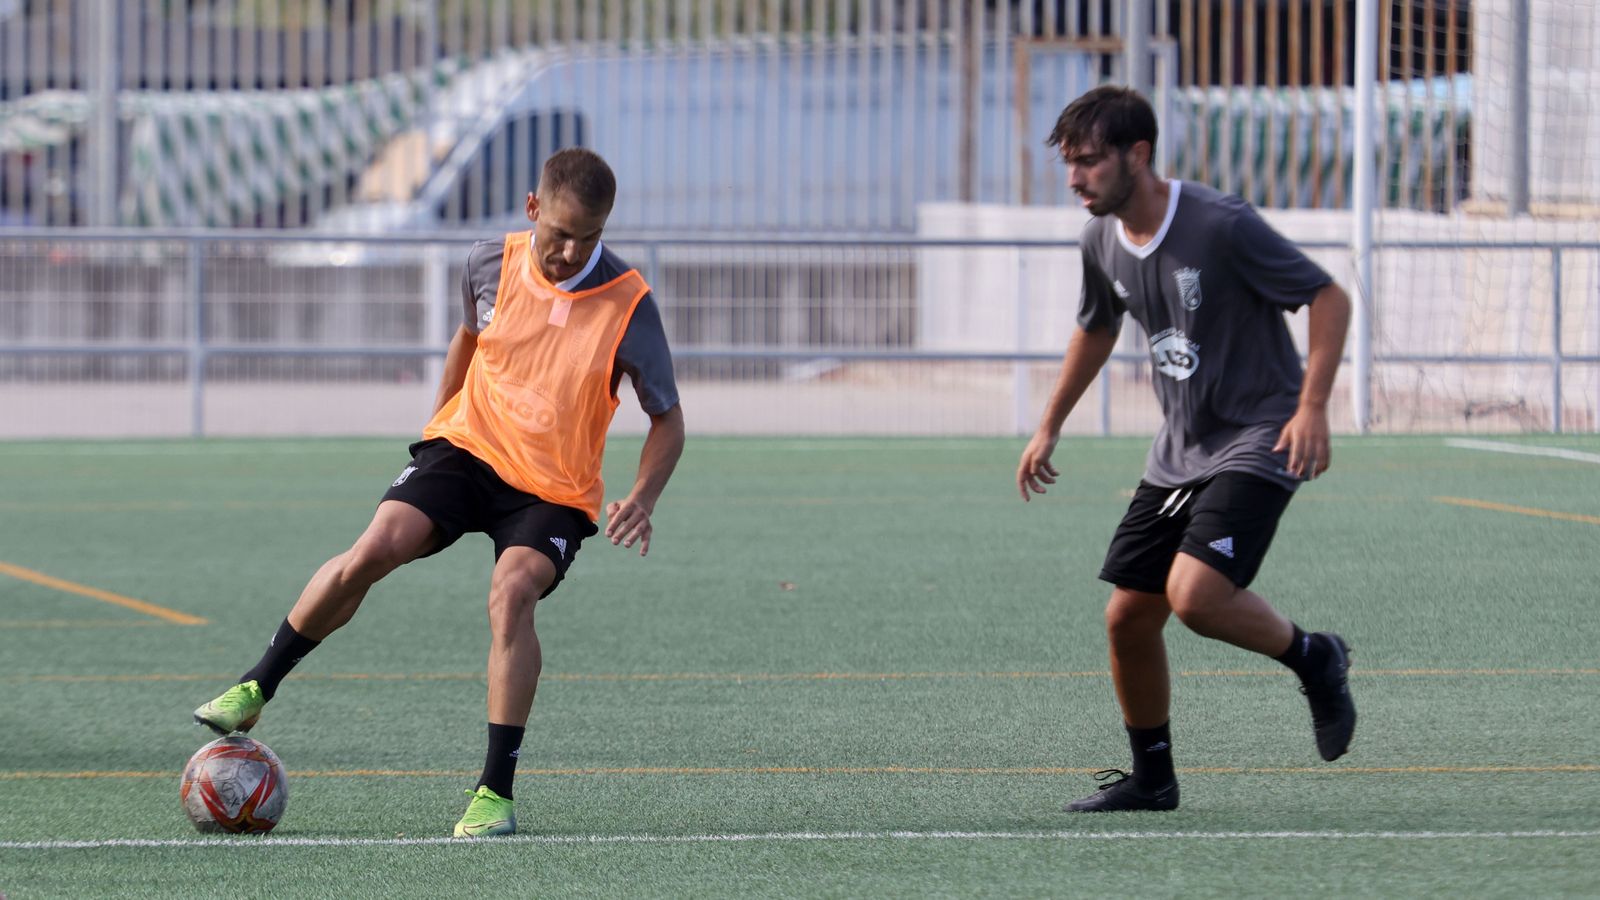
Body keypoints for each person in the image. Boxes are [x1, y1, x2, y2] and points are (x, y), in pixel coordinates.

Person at [193, 147, 685, 837]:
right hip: (467, 449)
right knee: (375, 547)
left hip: (551, 490)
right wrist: (440, 426)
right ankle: (257, 685)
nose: (570, 250)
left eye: (589, 236)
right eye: (559, 233)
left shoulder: (629, 304)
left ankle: (495, 793)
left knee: (512, 594)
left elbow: (668, 417)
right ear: (532, 209)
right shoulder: (487, 261)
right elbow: (470, 337)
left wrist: (643, 495)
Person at [1016, 86, 1355, 812]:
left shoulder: (1219, 222)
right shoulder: (1099, 238)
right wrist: (1050, 424)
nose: (1075, 178)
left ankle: (1315, 657)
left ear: (1138, 154)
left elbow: (1329, 297)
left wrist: (1314, 406)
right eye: (1069, 164)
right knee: (1127, 618)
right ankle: (1153, 779)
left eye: (1089, 162)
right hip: (1180, 451)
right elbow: (1098, 327)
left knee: (1195, 597)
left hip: (1261, 434)